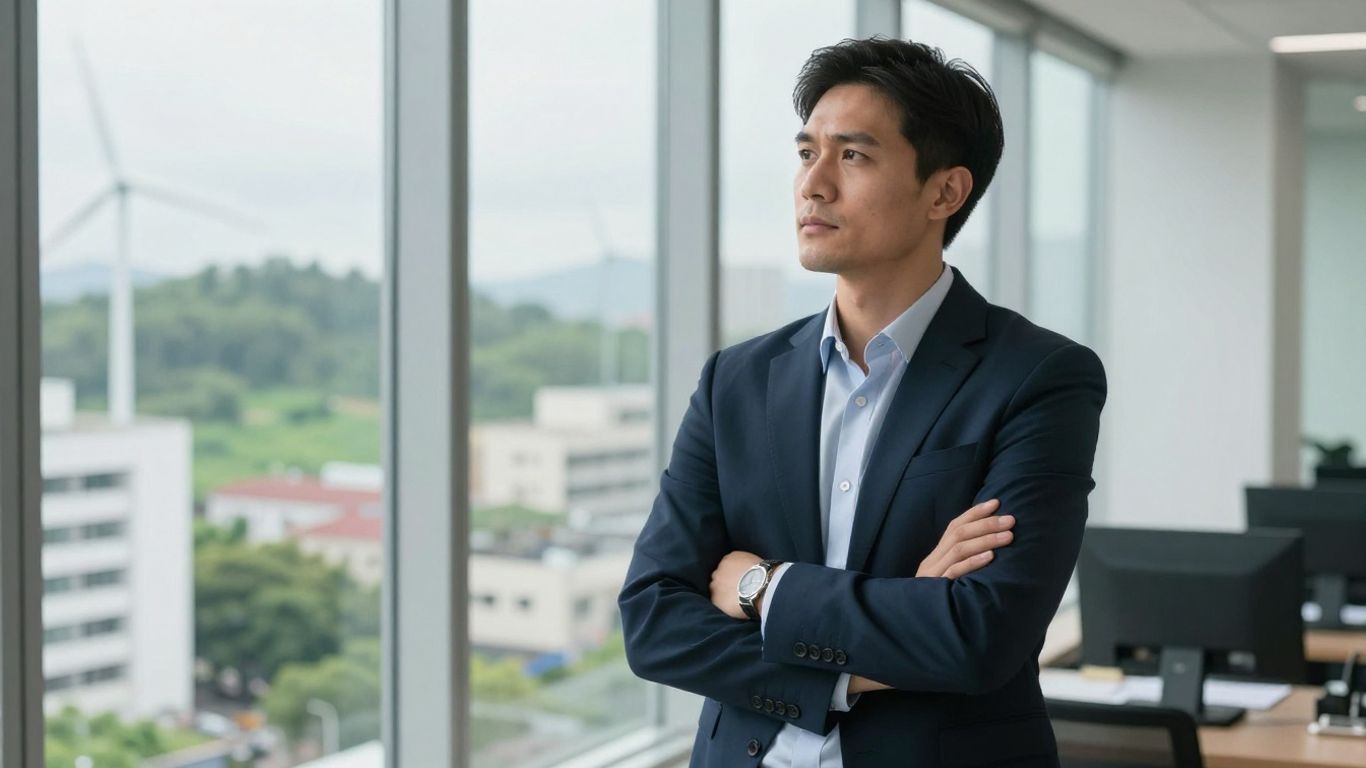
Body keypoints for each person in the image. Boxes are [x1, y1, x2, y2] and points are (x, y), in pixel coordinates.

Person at [618, 37, 1106, 768]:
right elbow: (654, 620)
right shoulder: (738, 380)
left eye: (853, 156)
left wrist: (761, 587)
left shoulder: (1039, 377)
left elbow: (979, 637)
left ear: (945, 191)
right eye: (806, 151)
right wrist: (868, 651)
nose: (813, 184)